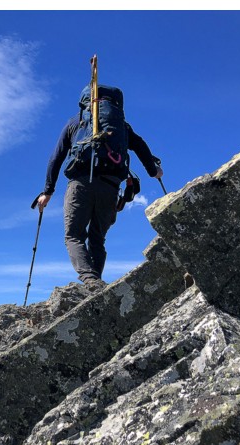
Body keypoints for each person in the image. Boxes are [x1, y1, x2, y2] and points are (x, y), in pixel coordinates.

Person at [36, 84, 164, 291]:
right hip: (110, 186)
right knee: (98, 238)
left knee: (74, 235)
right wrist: (153, 171)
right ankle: (96, 284)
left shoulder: (75, 122)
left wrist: (47, 191)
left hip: (80, 184)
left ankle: (91, 281)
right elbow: (140, 146)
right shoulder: (121, 126)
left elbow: (56, 158)